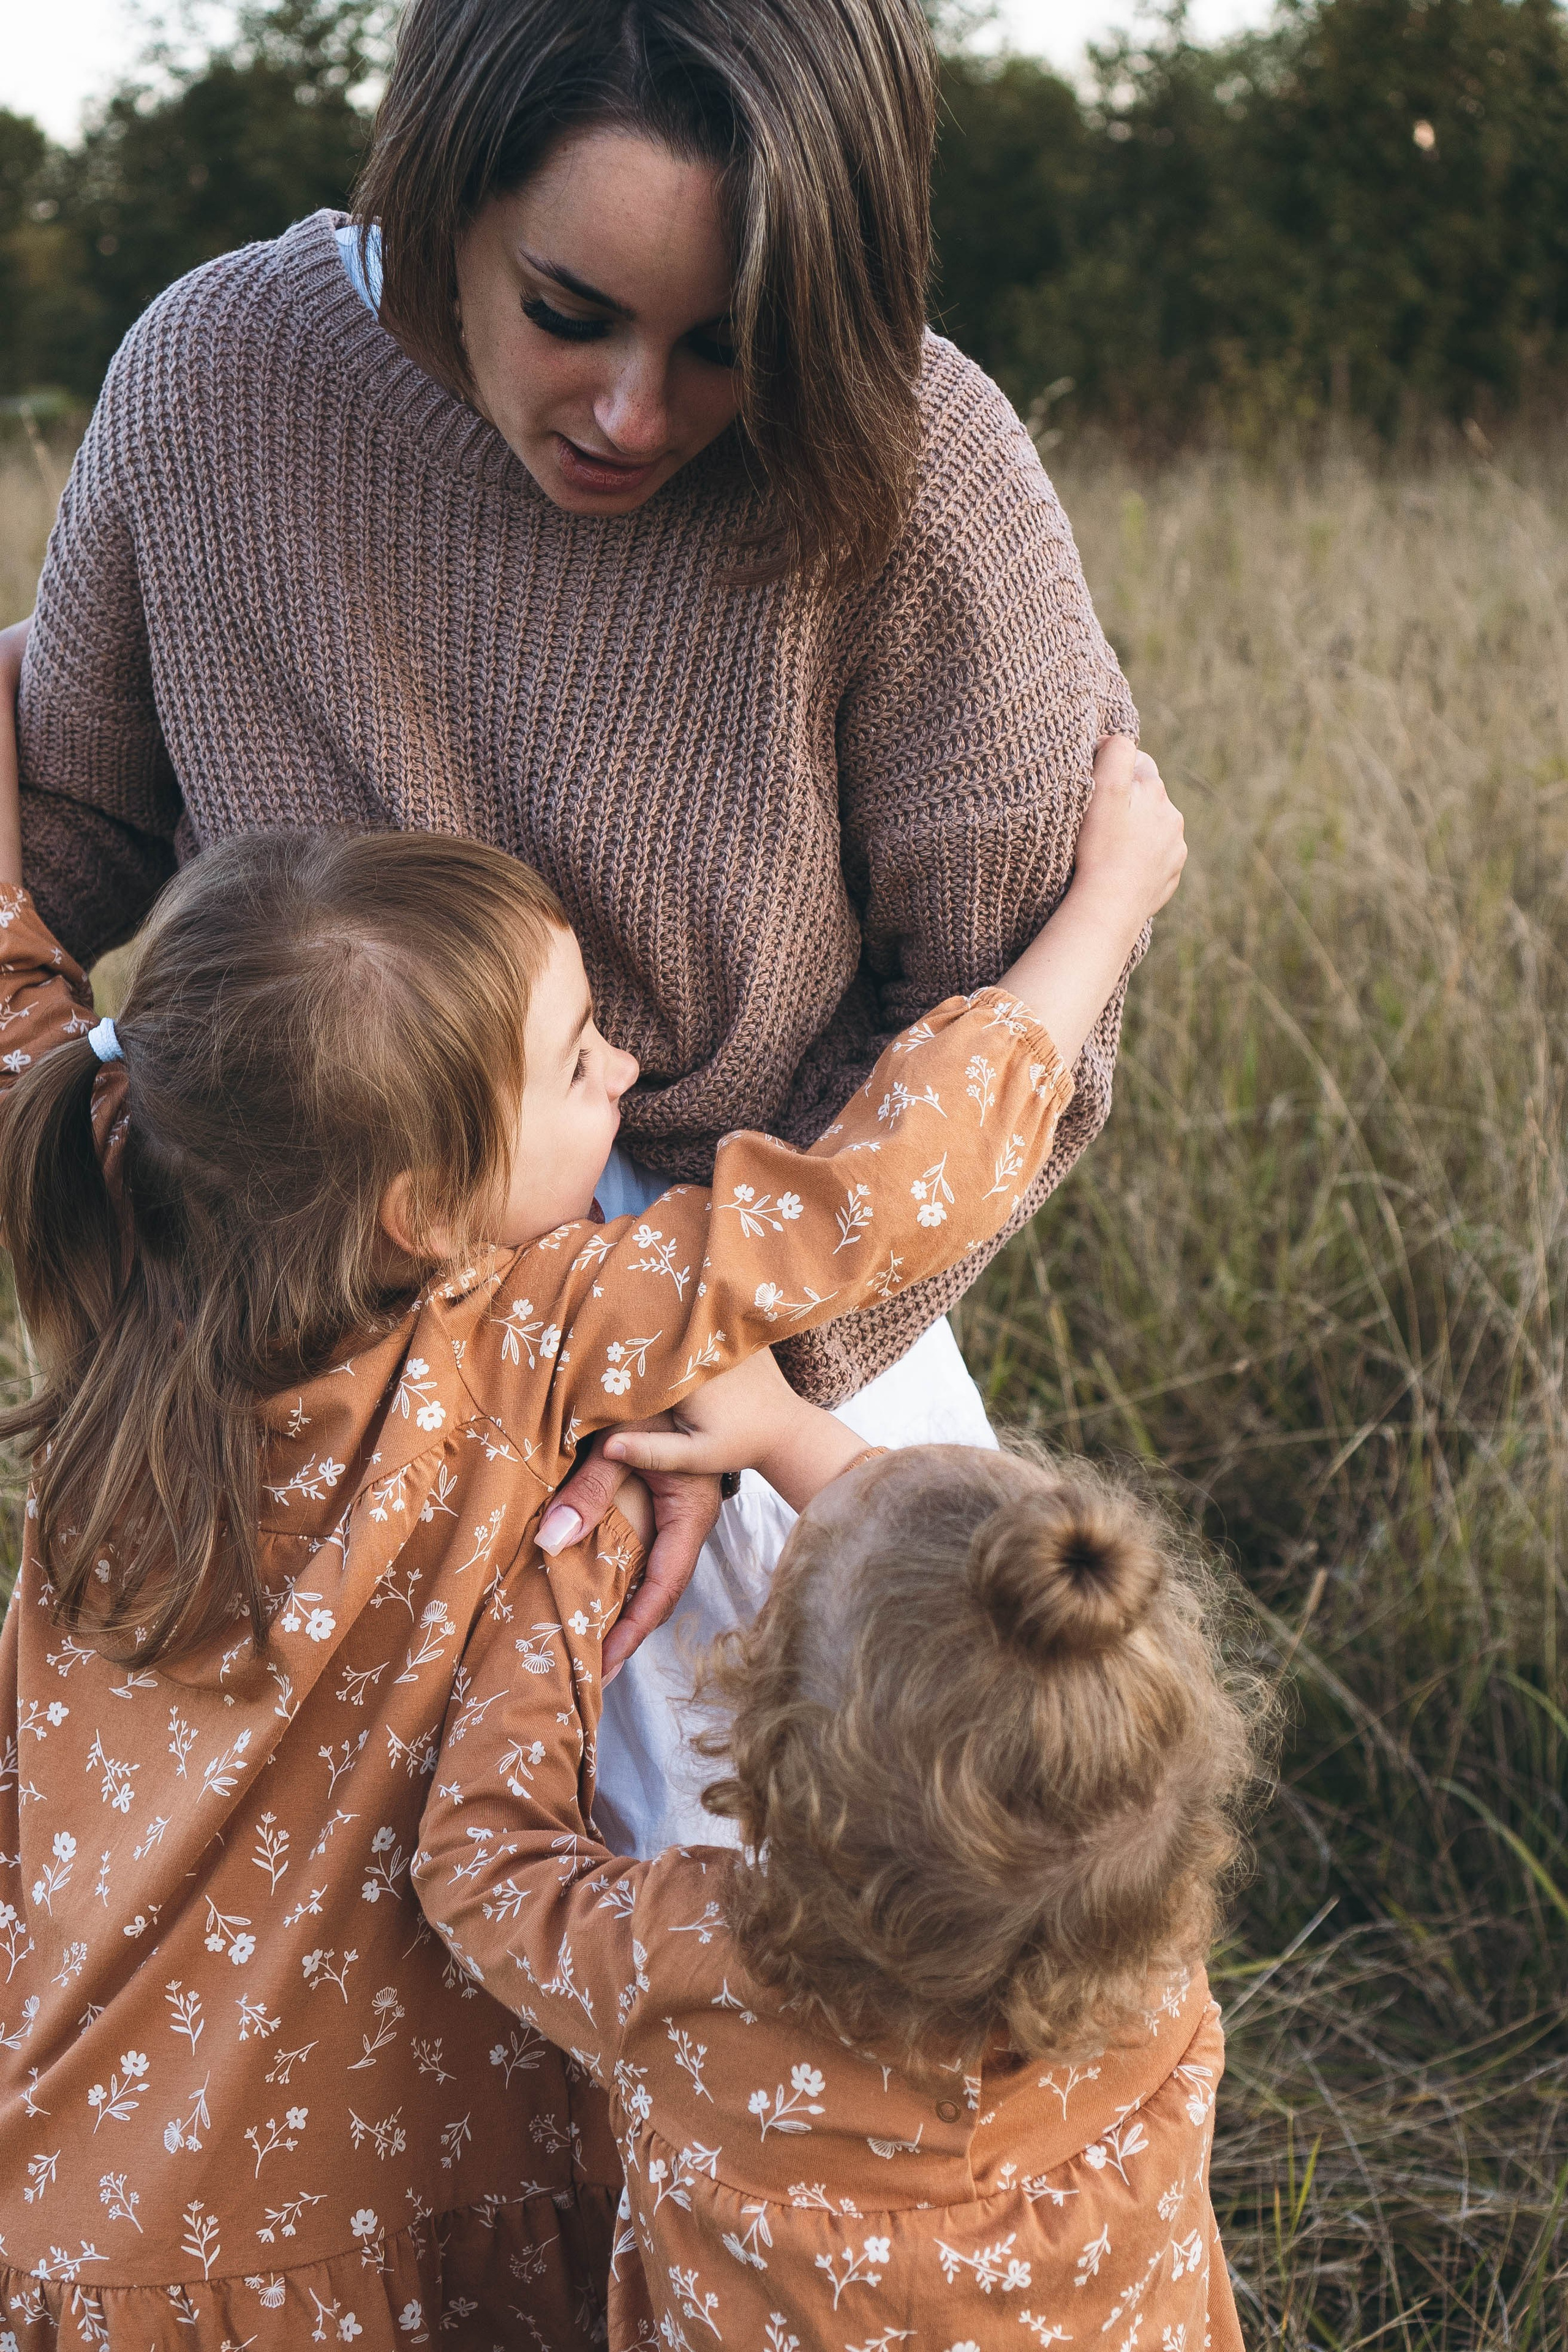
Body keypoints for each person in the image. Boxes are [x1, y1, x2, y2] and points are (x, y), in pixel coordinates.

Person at [10, 0, 1142, 1852]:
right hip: (292, 1346)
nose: (635, 414)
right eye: (567, 312)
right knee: (300, 1947)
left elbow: (995, 1024)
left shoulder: (922, 466)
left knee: (826, 1937)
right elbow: (78, 827)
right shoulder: (217, 374)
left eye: (726, 346)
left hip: (744, 1324)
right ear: (443, 190)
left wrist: (717, 1390)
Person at [0, 718, 1185, 2342]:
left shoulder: (111, 1201)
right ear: (425, 1209)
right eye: (575, 1066)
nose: (624, 1071)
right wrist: (1108, 907)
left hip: (77, 2168)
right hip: (333, 2208)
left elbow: (15, 990)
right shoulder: (520, 1338)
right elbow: (876, 1196)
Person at [418, 1431, 1265, 2352]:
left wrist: (587, 1555)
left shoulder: (691, 1973)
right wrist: (784, 1429)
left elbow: (482, 1863)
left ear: (767, 1759)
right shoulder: (1150, 1964)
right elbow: (1010, 1643)